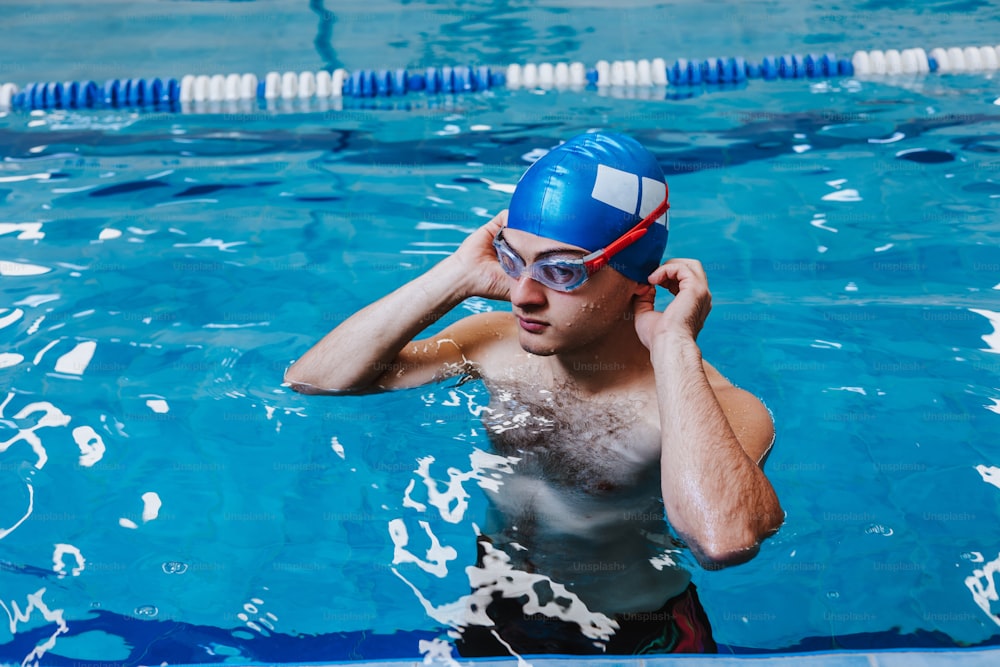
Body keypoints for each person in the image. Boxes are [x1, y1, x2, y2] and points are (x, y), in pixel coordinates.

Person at [285, 132, 783, 656]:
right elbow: (314, 381)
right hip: (496, 609)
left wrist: (675, 347)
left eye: (561, 271)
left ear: (639, 280)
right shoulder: (494, 344)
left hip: (634, 633)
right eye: (513, 259)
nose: (523, 294)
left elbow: (722, 541)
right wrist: (456, 276)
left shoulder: (717, 406)